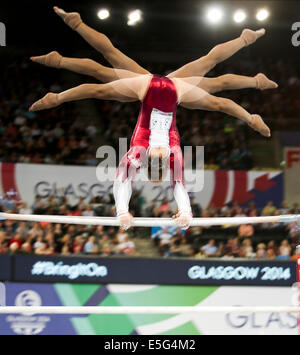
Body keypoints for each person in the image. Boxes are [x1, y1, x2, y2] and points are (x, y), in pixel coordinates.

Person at [30, 7, 277, 230]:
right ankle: (252, 73)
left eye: (156, 162)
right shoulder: (173, 154)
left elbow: (122, 180)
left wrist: (123, 212)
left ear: (148, 162)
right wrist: (186, 212)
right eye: (162, 163)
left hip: (147, 87)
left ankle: (61, 73)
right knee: (214, 87)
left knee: (104, 72)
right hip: (174, 90)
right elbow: (179, 185)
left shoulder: (139, 150)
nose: (160, 157)